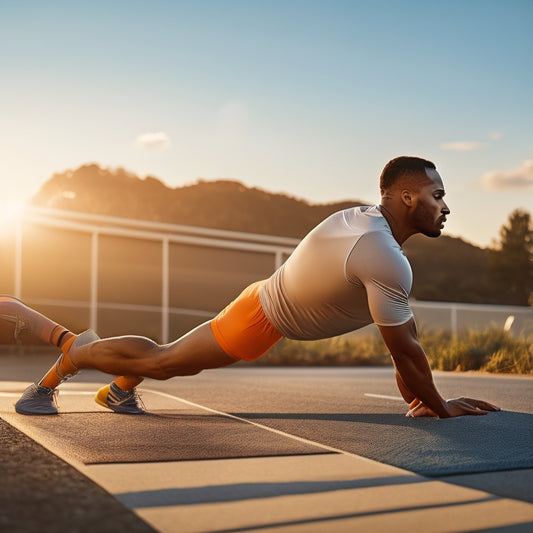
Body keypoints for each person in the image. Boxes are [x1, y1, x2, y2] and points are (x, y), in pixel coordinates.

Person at [12, 156, 500, 418]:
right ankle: (72, 350)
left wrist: (417, 397)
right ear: (407, 196)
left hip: (262, 306)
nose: (445, 207)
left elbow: (405, 346)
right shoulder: (381, 255)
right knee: (163, 363)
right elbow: (406, 354)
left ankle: (118, 389)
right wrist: (440, 407)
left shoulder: (368, 226)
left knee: (170, 360)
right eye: (438, 196)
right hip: (258, 319)